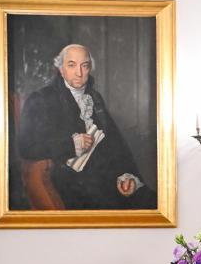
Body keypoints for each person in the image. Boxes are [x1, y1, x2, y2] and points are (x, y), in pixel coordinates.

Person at [16, 43, 156, 210]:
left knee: (149, 200)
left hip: (107, 179)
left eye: (85, 65)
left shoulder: (95, 98)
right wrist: (71, 144)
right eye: (71, 65)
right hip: (71, 185)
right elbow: (26, 147)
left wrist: (127, 176)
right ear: (61, 69)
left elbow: (116, 145)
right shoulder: (41, 99)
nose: (79, 73)